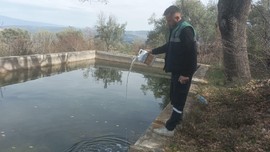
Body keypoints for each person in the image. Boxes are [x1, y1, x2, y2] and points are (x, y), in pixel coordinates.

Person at [148, 5, 197, 137]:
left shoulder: (185, 30)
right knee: (175, 98)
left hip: (183, 73)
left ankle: (170, 129)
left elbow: (192, 54)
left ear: (177, 17)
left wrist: (185, 74)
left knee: (179, 99)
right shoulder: (176, 29)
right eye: (166, 20)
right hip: (177, 71)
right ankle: (178, 122)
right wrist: (152, 51)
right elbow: (169, 46)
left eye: (169, 20)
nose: (167, 23)